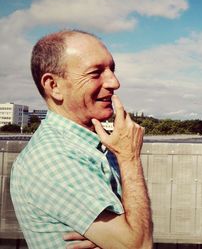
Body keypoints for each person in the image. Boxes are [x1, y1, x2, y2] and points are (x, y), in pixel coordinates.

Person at [10, 30, 153, 249]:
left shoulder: (95, 145)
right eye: (96, 73)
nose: (114, 82)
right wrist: (130, 158)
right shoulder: (53, 159)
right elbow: (140, 244)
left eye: (112, 70)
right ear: (53, 86)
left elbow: (136, 226)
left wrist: (119, 234)